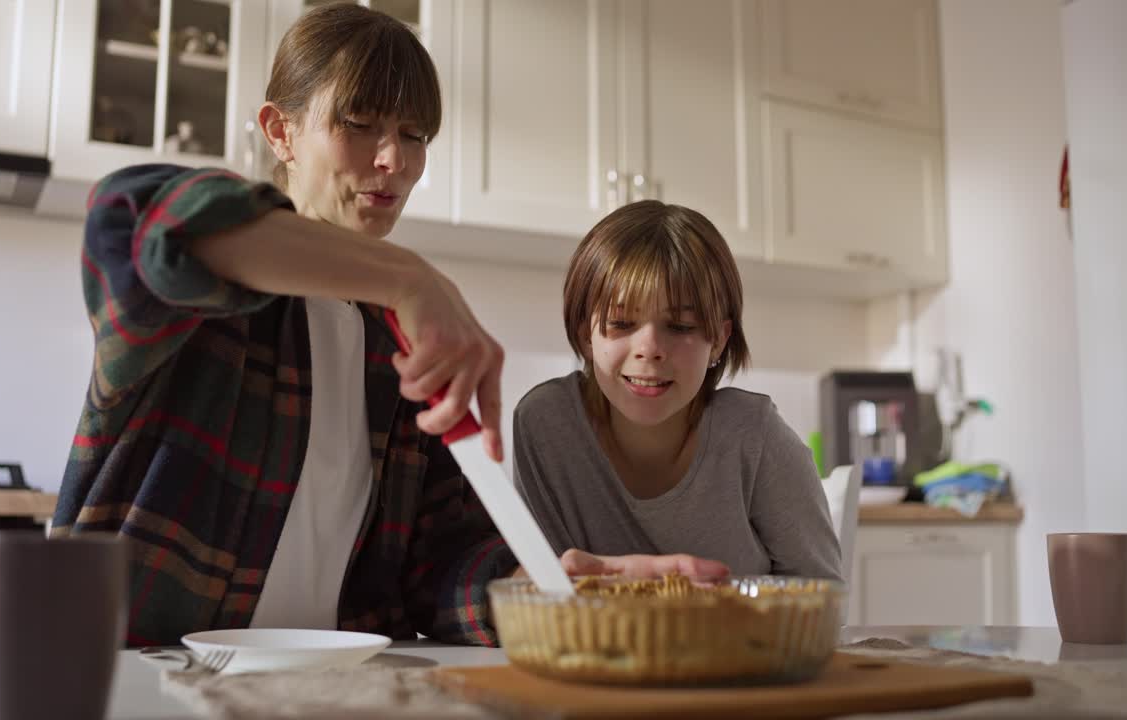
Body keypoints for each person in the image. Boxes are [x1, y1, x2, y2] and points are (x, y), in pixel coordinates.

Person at [52, 4, 726, 648]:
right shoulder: (207, 302)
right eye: (360, 124)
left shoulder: (403, 346)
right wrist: (408, 276)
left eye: (413, 135)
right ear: (280, 130)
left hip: (328, 687)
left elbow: (440, 562)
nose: (394, 162)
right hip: (128, 677)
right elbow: (129, 215)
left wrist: (544, 589)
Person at [512, 200, 842, 580]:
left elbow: (823, 598)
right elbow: (546, 592)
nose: (649, 348)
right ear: (587, 332)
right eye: (621, 323)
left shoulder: (754, 436)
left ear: (718, 340)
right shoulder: (546, 424)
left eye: (681, 326)